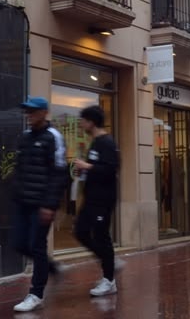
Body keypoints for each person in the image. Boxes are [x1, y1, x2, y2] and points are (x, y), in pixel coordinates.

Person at [11, 96, 69, 312]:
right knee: (19, 243)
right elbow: (19, 169)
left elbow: (59, 173)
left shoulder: (54, 137)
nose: (29, 115)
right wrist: (16, 194)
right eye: (27, 111)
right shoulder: (25, 137)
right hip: (23, 201)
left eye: (33, 111)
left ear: (44, 113)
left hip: (42, 204)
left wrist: (50, 205)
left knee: (36, 246)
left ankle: (36, 294)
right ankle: (52, 267)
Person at [71, 105, 120, 297]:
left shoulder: (107, 142)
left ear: (91, 122)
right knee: (80, 231)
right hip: (91, 198)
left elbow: (110, 169)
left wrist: (87, 166)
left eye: (83, 120)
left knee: (101, 237)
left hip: (103, 199)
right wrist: (83, 170)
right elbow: (97, 166)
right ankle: (109, 263)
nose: (81, 123)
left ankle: (109, 280)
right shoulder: (95, 142)